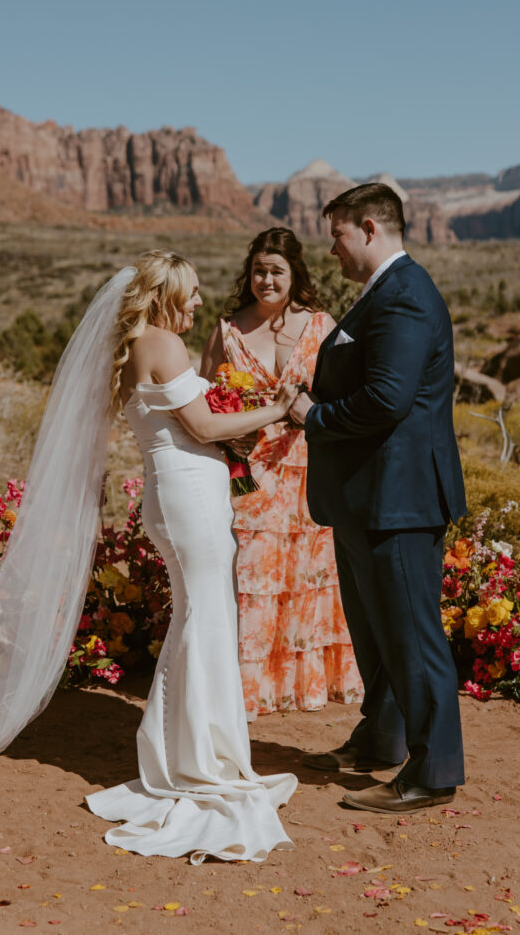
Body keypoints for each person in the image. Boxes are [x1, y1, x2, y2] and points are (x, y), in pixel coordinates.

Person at [0, 250, 297, 863]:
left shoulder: (137, 344)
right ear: (164, 296)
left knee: (198, 619)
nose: (200, 301)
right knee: (204, 619)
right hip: (188, 501)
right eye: (192, 291)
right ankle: (193, 759)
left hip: (176, 495)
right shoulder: (163, 344)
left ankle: (191, 749)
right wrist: (282, 408)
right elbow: (204, 428)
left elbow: (191, 421)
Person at [289, 184, 467, 813]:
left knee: (412, 634)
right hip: (370, 498)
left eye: (335, 235)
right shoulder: (382, 294)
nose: (331, 250)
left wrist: (314, 415)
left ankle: (432, 772)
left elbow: (388, 399)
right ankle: (382, 736)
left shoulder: (405, 298)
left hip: (400, 499)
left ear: (368, 228)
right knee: (378, 630)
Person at [201, 228, 363, 720]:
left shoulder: (321, 326)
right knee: (253, 575)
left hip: (312, 467)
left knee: (310, 575)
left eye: (276, 271)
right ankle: (249, 691)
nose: (265, 280)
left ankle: (306, 687)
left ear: (295, 276)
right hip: (249, 473)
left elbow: (351, 392)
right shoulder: (227, 331)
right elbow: (205, 396)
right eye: (258, 270)